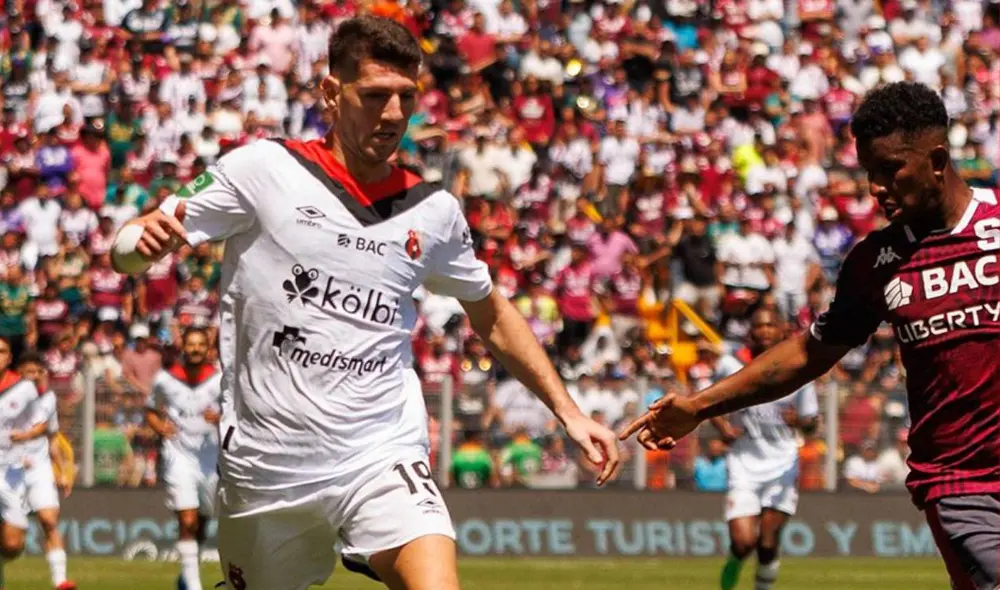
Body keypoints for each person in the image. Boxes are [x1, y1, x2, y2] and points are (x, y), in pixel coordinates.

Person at [112, 16, 619, 590]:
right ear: (331, 93)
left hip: (381, 452)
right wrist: (134, 248)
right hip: (267, 466)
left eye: (407, 96)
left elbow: (491, 314)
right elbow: (133, 242)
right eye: (375, 96)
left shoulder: (433, 211)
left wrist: (569, 413)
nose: (395, 114)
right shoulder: (263, 170)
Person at [621, 81, 1000, 590]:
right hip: (964, 486)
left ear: (936, 160)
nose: (875, 188)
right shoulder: (875, 263)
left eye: (889, 169)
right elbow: (806, 354)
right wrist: (699, 406)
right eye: (868, 172)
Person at [708, 308, 818, 590]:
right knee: (744, 542)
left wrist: (799, 421)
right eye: (759, 326)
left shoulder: (801, 369)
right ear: (751, 333)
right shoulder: (731, 365)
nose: (765, 330)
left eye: (771, 325)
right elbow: (706, 401)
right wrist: (723, 429)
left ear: (782, 330)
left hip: (782, 464)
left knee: (768, 541)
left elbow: (812, 424)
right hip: (743, 462)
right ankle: (734, 562)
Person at [145, 327, 221, 590]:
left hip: (210, 458)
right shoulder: (165, 379)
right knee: (187, 520)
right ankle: (193, 585)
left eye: (201, 344)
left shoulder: (220, 380)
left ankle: (188, 575)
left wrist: (220, 418)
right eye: (191, 344)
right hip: (179, 455)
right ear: (183, 347)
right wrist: (160, 427)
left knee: (203, 519)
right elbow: (151, 410)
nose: (196, 349)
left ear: (208, 349)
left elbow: (237, 413)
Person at [16, 352, 76, 590]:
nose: (34, 376)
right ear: (18, 375)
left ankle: (60, 581)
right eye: (29, 372)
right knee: (10, 536)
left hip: (40, 469)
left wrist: (61, 471)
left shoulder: (49, 399)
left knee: (49, 520)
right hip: (10, 469)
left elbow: (52, 438)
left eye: (38, 372)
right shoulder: (6, 398)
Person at [0, 336, 46, 589]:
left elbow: (40, 424)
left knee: (12, 544)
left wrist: (26, 436)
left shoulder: (24, 388)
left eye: (2, 352)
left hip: (11, 472)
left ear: (9, 358)